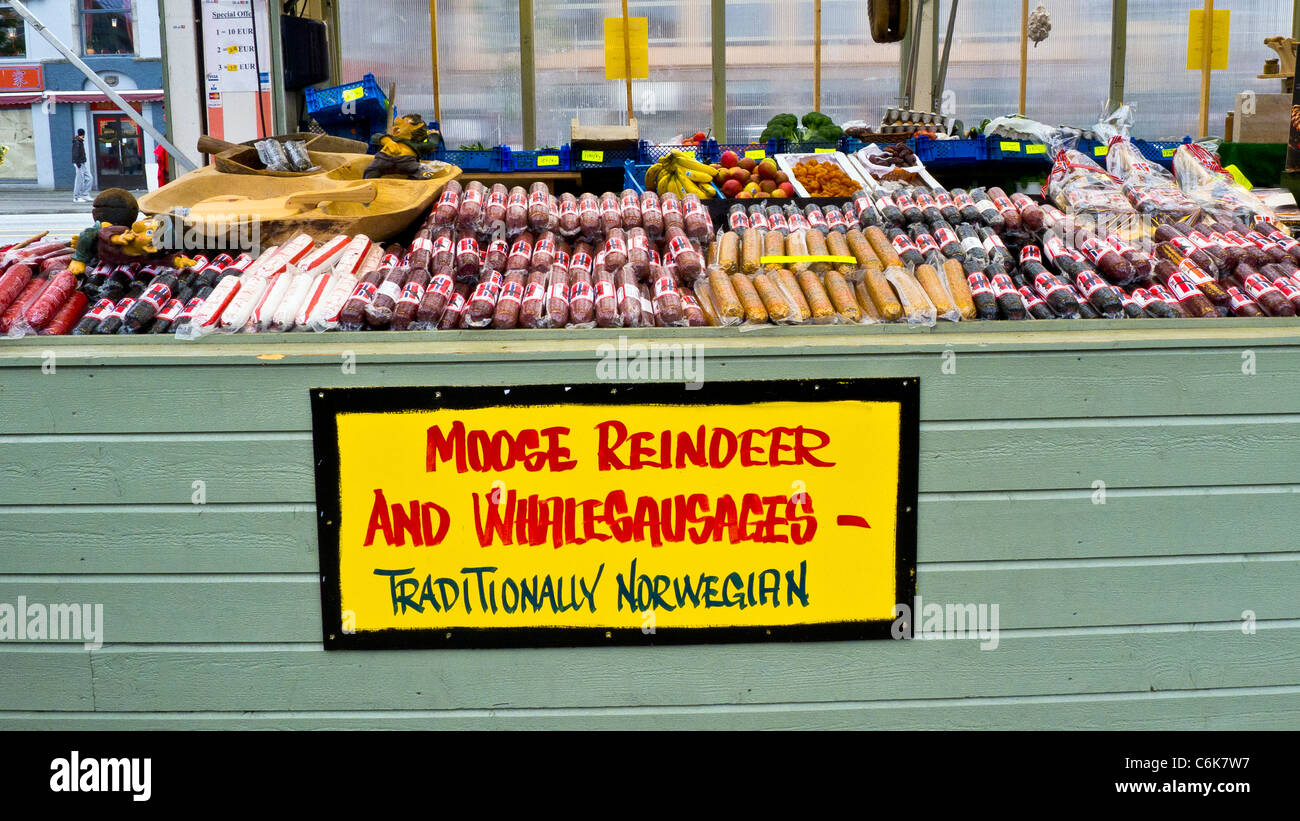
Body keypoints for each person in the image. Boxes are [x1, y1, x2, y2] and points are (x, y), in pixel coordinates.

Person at [72, 129, 93, 203]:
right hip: (79, 163)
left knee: (89, 178)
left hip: (82, 163)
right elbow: (75, 153)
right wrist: (78, 163)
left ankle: (85, 194)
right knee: (79, 180)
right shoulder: (77, 142)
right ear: (83, 134)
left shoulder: (80, 141)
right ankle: (76, 197)